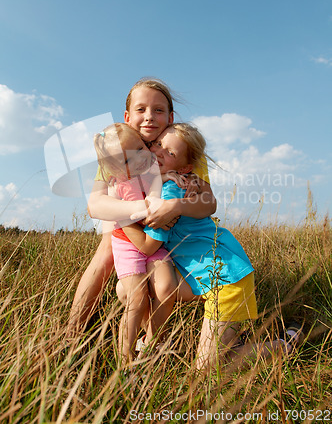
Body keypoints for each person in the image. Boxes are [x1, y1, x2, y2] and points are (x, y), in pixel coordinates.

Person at [119, 123, 303, 371]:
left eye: (170, 153)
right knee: (128, 288)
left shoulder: (170, 193)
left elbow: (149, 247)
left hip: (225, 279)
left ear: (185, 168)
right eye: (159, 145)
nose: (160, 152)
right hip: (198, 274)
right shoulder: (165, 182)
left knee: (207, 371)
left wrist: (119, 222)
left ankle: (285, 344)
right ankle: (157, 343)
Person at [67, 77, 216, 334]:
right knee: (107, 252)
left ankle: (151, 339)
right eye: (140, 109)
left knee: (160, 280)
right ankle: (72, 333)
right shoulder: (119, 147)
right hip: (134, 218)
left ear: (170, 117)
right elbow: (95, 205)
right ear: (127, 117)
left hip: (172, 235)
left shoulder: (182, 148)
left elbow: (209, 202)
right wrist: (146, 207)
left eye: (158, 110)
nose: (149, 116)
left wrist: (178, 204)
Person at [93, 123, 178, 362]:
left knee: (166, 286)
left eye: (141, 148)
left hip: (153, 243)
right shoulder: (117, 187)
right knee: (137, 298)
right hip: (128, 245)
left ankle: (151, 342)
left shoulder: (153, 169)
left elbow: (156, 193)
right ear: (117, 171)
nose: (140, 158)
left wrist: (166, 177)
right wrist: (156, 209)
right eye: (129, 160)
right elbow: (146, 207)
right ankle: (125, 359)